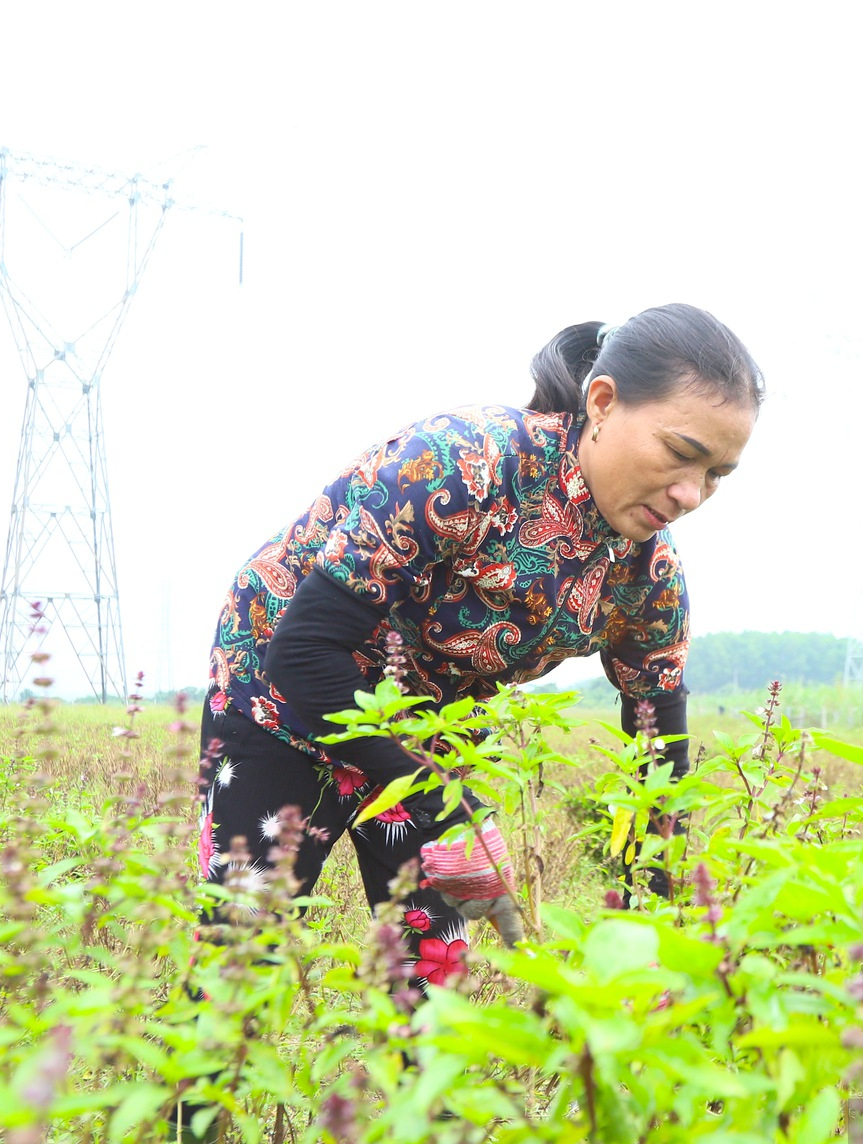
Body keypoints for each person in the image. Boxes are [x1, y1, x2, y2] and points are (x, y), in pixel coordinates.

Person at [198, 303, 762, 992]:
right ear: (604, 403)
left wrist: (657, 920)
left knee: (435, 980)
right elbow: (305, 652)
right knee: (240, 966)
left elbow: (656, 756)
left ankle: (417, 1096)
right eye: (681, 453)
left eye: (716, 476)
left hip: (433, 726)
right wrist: (451, 809)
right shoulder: (465, 464)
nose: (691, 493)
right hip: (283, 691)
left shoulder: (647, 575)